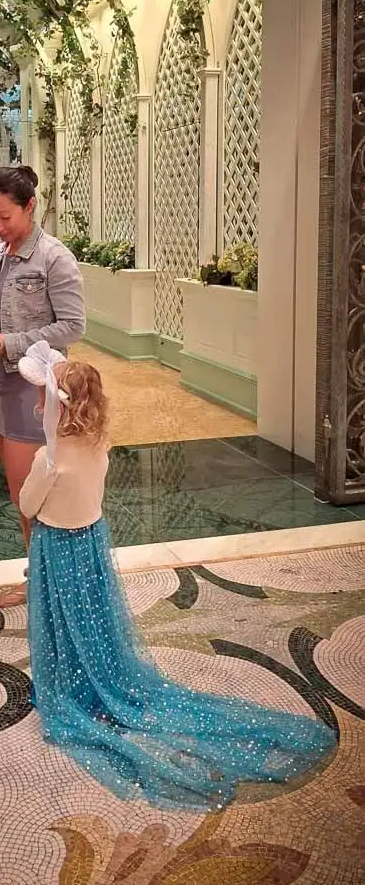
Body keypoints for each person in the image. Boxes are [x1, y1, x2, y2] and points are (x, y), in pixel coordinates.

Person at [17, 341, 336, 810]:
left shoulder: (49, 461)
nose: (36, 403)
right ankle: (99, 670)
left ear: (54, 405)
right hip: (91, 543)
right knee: (94, 616)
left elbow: (28, 506)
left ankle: (69, 680)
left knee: (63, 615)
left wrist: (39, 470)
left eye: (42, 397)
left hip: (59, 548)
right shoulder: (98, 448)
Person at [0, 165, 85, 606]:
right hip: (3, 382)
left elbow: (71, 326)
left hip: (36, 387)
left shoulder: (54, 258)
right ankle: (41, 575)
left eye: (5, 216)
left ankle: (47, 583)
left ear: (30, 206)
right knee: (17, 490)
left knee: (35, 492)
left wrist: (10, 342)